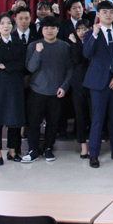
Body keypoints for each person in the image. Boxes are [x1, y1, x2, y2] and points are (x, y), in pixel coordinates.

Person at [83, 0, 113, 168]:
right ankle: (93, 154)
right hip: (98, 83)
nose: (108, 15)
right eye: (104, 12)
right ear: (98, 14)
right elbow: (86, 53)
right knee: (97, 119)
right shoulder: (91, 34)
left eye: (111, 12)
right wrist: (95, 34)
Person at [23, 16, 73, 162]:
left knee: (53, 122)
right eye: (46, 28)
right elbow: (30, 68)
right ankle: (33, 150)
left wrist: (64, 87)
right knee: (33, 122)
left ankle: (48, 148)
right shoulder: (34, 46)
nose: (49, 31)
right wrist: (38, 52)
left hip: (56, 92)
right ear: (42, 30)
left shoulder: (65, 47)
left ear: (58, 30)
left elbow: (70, 69)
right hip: (36, 91)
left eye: (53, 28)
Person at [0, 12, 27, 165]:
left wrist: (7, 67)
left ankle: (12, 151)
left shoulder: (19, 43)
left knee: (14, 120)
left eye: (9, 23)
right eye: (2, 23)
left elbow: (22, 64)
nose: (6, 26)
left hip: (15, 85)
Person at [68, 19, 92, 159]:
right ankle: (83, 146)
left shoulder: (94, 42)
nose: (81, 32)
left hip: (94, 85)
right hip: (78, 85)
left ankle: (94, 144)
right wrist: (75, 44)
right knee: (80, 117)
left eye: (84, 29)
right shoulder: (73, 44)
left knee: (94, 116)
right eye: (78, 30)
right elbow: (78, 60)